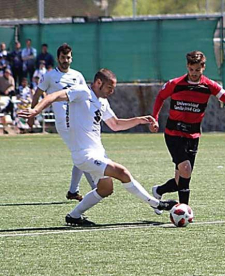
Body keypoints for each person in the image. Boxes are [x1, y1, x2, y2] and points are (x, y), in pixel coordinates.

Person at [19, 68, 177, 226]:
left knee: (105, 189)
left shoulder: (103, 101)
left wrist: (140, 120)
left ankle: (74, 216)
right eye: (109, 87)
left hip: (99, 154)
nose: (112, 92)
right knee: (122, 172)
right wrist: (36, 110)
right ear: (98, 83)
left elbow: (115, 124)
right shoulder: (81, 91)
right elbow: (53, 96)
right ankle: (157, 204)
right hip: (84, 155)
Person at [149, 50, 225, 215]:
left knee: (182, 179)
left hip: (192, 136)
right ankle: (183, 210)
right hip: (173, 132)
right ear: (187, 67)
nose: (194, 74)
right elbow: (160, 97)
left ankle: (158, 191)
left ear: (203, 68)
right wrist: (155, 118)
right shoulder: (175, 83)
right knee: (185, 169)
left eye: (197, 70)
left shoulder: (209, 85)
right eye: (191, 70)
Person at [30, 43, 95, 201]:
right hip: (63, 122)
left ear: (71, 58)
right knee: (81, 152)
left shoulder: (77, 76)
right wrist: (32, 113)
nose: (65, 60)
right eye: (63, 57)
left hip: (79, 120)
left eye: (68, 57)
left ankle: (74, 191)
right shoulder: (50, 76)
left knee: (80, 152)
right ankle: (96, 187)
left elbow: (86, 96)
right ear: (58, 58)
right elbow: (38, 93)